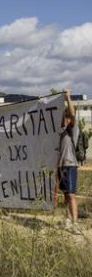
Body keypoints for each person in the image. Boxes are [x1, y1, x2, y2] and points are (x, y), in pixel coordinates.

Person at [58, 90, 80, 234]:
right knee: (66, 194)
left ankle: (75, 224)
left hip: (70, 165)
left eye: (66, 116)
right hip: (61, 166)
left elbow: (72, 113)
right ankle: (67, 219)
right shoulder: (60, 132)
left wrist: (68, 98)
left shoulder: (72, 129)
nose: (65, 118)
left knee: (71, 194)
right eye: (64, 116)